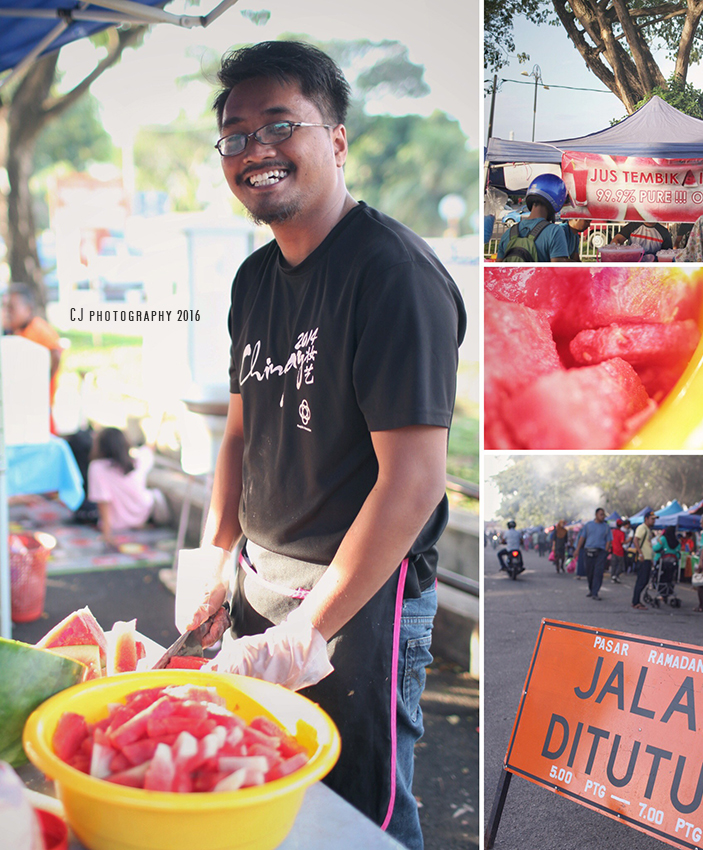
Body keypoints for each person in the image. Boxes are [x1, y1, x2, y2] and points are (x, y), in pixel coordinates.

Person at [176, 41, 466, 850]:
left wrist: (310, 629)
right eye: (235, 136)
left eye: (279, 125)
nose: (255, 150)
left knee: (358, 816)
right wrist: (215, 560)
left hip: (358, 599)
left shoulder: (392, 275)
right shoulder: (254, 279)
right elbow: (241, 433)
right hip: (258, 582)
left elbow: (414, 481)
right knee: (268, 793)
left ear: (335, 141)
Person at [87, 427, 170, 547]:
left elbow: (103, 501)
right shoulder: (138, 460)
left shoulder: (97, 467)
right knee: (154, 494)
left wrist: (106, 534)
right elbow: (149, 448)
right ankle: (142, 524)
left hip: (116, 522)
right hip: (142, 514)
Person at [2, 283, 63, 433]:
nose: (6, 312)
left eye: (11, 308)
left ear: (27, 309)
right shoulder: (13, 332)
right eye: (5, 307)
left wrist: (42, 380)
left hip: (39, 407)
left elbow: (56, 352)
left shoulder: (39, 329)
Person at [497, 174, 570, 262]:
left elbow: (497, 268)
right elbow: (559, 270)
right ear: (557, 199)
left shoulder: (508, 233)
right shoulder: (554, 231)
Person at [575, 508, 612, 601]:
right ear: (596, 515)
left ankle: (595, 592)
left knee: (598, 573)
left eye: (603, 515)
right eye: (601, 514)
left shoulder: (606, 527)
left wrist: (605, 552)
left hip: (600, 552)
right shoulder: (588, 525)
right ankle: (591, 589)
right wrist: (577, 549)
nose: (603, 516)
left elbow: (609, 540)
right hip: (589, 551)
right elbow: (582, 538)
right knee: (589, 572)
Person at [631, 512, 656, 609]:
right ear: (646, 519)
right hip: (642, 559)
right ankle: (635, 602)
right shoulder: (642, 528)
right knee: (641, 581)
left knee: (645, 580)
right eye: (652, 519)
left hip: (647, 559)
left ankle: (637, 601)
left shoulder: (648, 530)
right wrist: (640, 553)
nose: (654, 521)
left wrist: (651, 559)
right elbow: (635, 540)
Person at [651, 524, 681, 603]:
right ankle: (668, 593)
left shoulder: (663, 539)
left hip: (662, 564)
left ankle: (661, 593)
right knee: (670, 578)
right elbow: (678, 555)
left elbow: (656, 548)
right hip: (673, 565)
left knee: (660, 577)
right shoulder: (677, 543)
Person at [610, 519, 626, 583]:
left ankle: (613, 576)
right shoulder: (622, 533)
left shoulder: (612, 531)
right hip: (620, 551)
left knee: (613, 565)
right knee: (621, 565)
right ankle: (616, 575)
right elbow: (622, 542)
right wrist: (629, 540)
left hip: (613, 550)